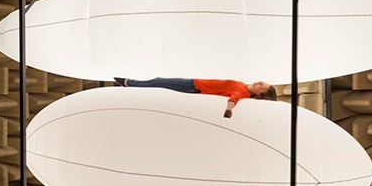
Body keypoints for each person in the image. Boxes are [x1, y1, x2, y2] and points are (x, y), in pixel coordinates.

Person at [114, 77, 277, 118]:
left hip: (195, 87)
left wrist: (228, 110)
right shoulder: (243, 86)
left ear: (259, 94)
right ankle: (131, 84)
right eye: (262, 82)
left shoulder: (242, 93)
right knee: (160, 82)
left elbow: (233, 99)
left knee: (160, 82)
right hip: (195, 83)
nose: (260, 82)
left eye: (262, 86)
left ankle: (130, 83)